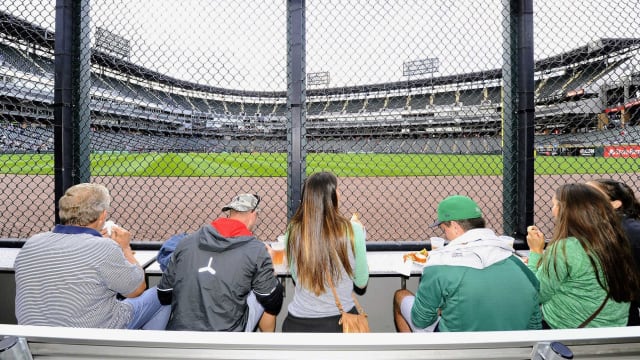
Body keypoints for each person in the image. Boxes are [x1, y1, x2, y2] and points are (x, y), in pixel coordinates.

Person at [14, 183, 169, 329]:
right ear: (103, 216)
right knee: (162, 294)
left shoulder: (32, 242)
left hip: (33, 339)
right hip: (92, 335)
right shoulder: (104, 248)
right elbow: (137, 290)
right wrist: (125, 248)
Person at [394, 195, 542, 332]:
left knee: (400, 296)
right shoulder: (520, 266)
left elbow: (421, 320)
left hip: (457, 350)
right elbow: (534, 326)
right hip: (511, 350)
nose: (445, 235)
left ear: (455, 226)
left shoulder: (438, 264)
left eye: (444, 229)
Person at [157, 193, 284, 332]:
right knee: (266, 288)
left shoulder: (186, 242)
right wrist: (270, 270)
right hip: (228, 336)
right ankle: (266, 347)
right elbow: (273, 304)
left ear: (229, 213)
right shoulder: (256, 250)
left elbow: (164, 294)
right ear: (253, 214)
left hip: (183, 332)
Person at [527, 183, 640, 329]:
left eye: (555, 205)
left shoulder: (566, 248)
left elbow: (536, 293)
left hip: (566, 329)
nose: (552, 210)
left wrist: (536, 252)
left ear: (567, 210)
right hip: (614, 327)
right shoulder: (616, 239)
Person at [281, 172, 369, 332]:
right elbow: (361, 282)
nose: (339, 193)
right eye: (337, 190)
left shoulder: (293, 230)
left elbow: (295, 275)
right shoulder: (354, 230)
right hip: (340, 325)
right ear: (331, 197)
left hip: (297, 324)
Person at [586, 179, 640, 325]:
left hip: (623, 314)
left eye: (591, 195)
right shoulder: (599, 228)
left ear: (615, 204)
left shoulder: (632, 232)